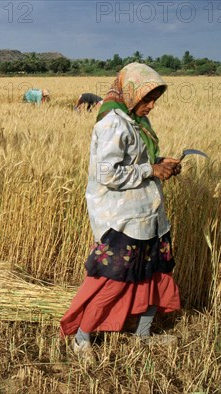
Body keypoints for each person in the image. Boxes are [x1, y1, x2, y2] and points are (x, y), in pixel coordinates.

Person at [60, 63, 182, 354]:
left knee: (156, 275)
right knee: (114, 281)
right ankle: (82, 338)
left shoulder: (135, 120)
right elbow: (108, 174)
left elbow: (137, 160)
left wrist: (162, 164)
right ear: (130, 93)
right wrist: (151, 170)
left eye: (155, 99)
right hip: (123, 218)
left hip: (148, 213)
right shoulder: (113, 123)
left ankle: (143, 334)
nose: (152, 106)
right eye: (147, 98)